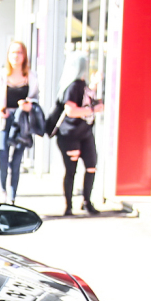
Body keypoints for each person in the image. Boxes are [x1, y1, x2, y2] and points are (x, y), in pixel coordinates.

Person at [55, 52, 104, 216]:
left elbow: (89, 101)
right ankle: (68, 206)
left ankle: (87, 201)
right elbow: (70, 110)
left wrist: (95, 87)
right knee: (71, 170)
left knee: (91, 165)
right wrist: (92, 109)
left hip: (86, 133)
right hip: (70, 134)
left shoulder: (84, 85)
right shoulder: (73, 86)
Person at [0, 41, 38, 204]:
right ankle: (3, 191)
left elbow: (35, 98)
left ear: (24, 55)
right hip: (4, 120)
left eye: (19, 52)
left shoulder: (31, 76)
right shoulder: (1, 75)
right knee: (3, 155)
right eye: (13, 52)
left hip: (22, 121)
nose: (16, 56)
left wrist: (29, 105)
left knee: (17, 159)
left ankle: (12, 196)